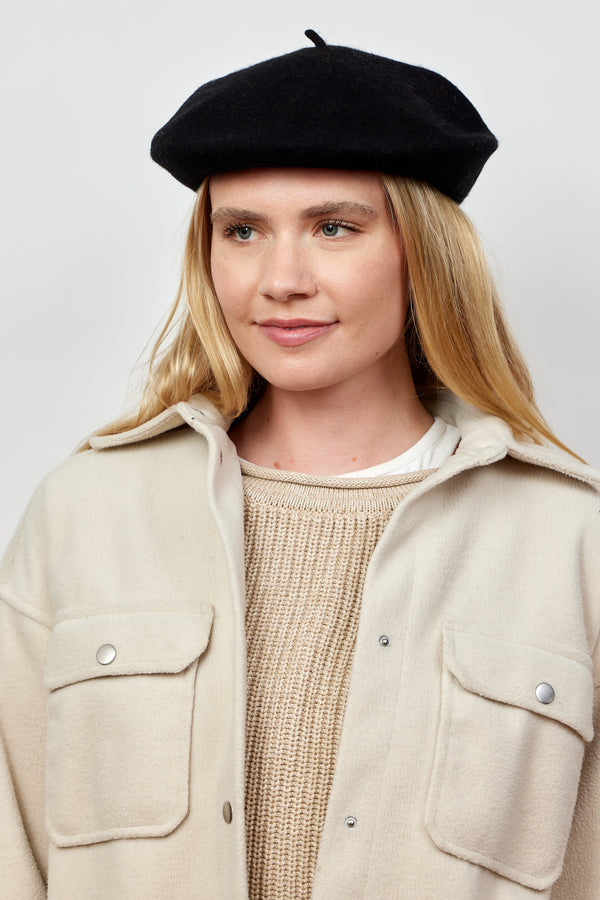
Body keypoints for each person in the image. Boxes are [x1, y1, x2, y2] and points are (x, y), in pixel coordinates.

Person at [1, 29, 599, 900]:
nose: (281, 278)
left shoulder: (571, 539)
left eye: (333, 227)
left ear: (424, 256)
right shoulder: (87, 512)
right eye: (242, 230)